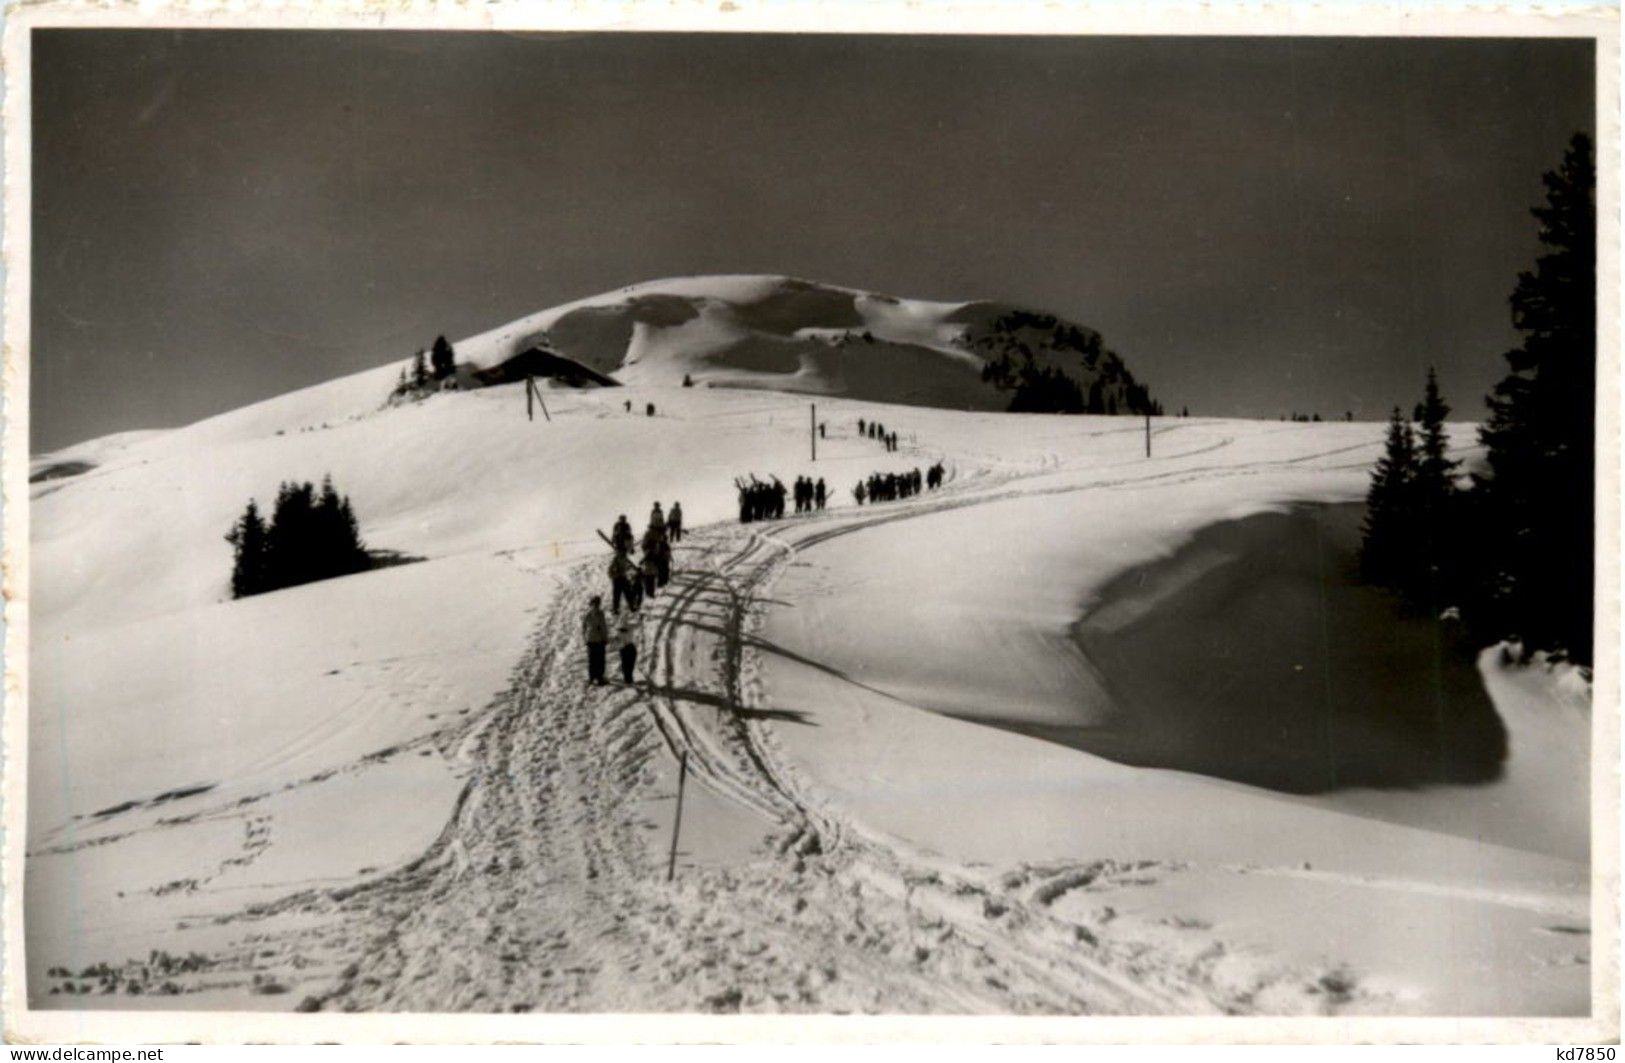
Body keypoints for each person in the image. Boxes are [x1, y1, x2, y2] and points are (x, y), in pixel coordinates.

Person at [582, 596, 609, 686]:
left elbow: (583, 628)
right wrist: (605, 638)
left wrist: (585, 639)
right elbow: (603, 627)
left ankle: (591, 677)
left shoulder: (587, 614)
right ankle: (599, 678)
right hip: (599, 640)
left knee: (592, 660)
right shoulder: (600, 614)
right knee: (600, 659)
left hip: (590, 640)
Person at [615, 611, 639, 684]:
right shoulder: (620, 631)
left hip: (629, 647)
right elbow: (617, 641)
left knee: (629, 663)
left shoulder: (629, 627)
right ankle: (628, 678)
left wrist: (641, 619)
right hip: (625, 647)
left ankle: (628, 677)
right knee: (627, 664)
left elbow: (636, 625)